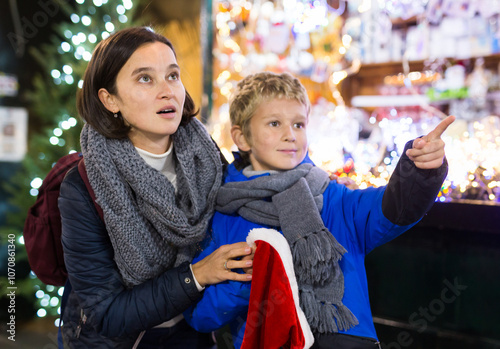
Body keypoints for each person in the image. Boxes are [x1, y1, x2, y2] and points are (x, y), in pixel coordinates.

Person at [183, 71, 454, 348]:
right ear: (241, 138)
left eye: (299, 124)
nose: (290, 135)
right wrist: (248, 280)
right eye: (274, 123)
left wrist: (419, 172)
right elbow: (202, 317)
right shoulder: (223, 214)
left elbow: (393, 211)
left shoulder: (332, 197)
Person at [58, 26, 254, 348]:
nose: (168, 92)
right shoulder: (83, 185)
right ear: (110, 100)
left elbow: (247, 202)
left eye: (173, 76)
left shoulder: (205, 157)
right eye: (145, 79)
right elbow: (107, 314)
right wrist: (197, 275)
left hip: (196, 331)